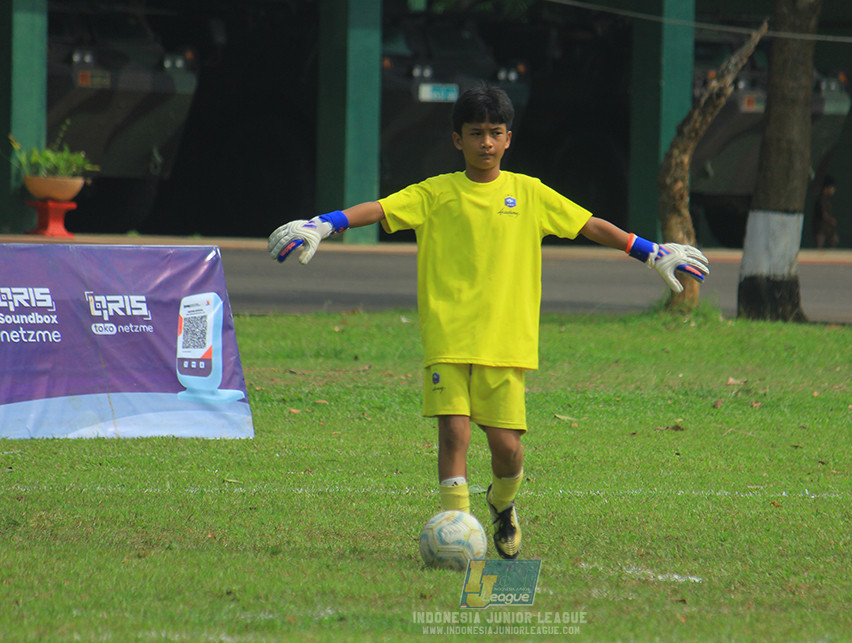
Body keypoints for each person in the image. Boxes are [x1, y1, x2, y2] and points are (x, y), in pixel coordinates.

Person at [266, 84, 709, 560]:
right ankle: (457, 530)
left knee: (507, 448)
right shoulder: (435, 192)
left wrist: (650, 252)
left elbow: (588, 224)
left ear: (508, 138)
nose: (486, 142)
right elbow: (380, 209)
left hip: (505, 341)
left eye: (495, 132)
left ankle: (502, 502)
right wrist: (324, 223)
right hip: (449, 336)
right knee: (453, 431)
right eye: (475, 133)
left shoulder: (529, 193)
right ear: (457, 139)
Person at [813, 175, 839, 249]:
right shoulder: (821, 200)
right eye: (832, 188)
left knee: (834, 240)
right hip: (821, 229)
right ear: (826, 188)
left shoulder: (827, 200)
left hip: (828, 229)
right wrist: (831, 220)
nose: (833, 190)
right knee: (819, 246)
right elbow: (823, 214)